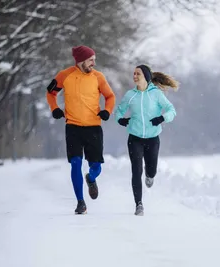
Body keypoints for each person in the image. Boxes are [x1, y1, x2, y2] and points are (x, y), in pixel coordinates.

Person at [46, 45, 116, 215]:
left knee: (96, 167)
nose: (93, 63)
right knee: (75, 164)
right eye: (91, 59)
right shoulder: (65, 75)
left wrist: (107, 111)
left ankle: (91, 178)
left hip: (93, 128)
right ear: (80, 60)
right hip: (73, 127)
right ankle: (80, 202)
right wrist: (54, 108)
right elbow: (50, 92)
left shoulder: (98, 77)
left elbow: (110, 96)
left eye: (94, 60)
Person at [115, 64, 178, 216]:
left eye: (138, 74)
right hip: (134, 138)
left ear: (146, 77)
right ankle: (139, 204)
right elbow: (119, 111)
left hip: (152, 138)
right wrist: (120, 120)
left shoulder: (156, 94)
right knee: (136, 170)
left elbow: (172, 110)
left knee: (151, 169)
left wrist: (162, 118)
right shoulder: (130, 95)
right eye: (134, 74)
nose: (134, 76)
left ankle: (150, 175)